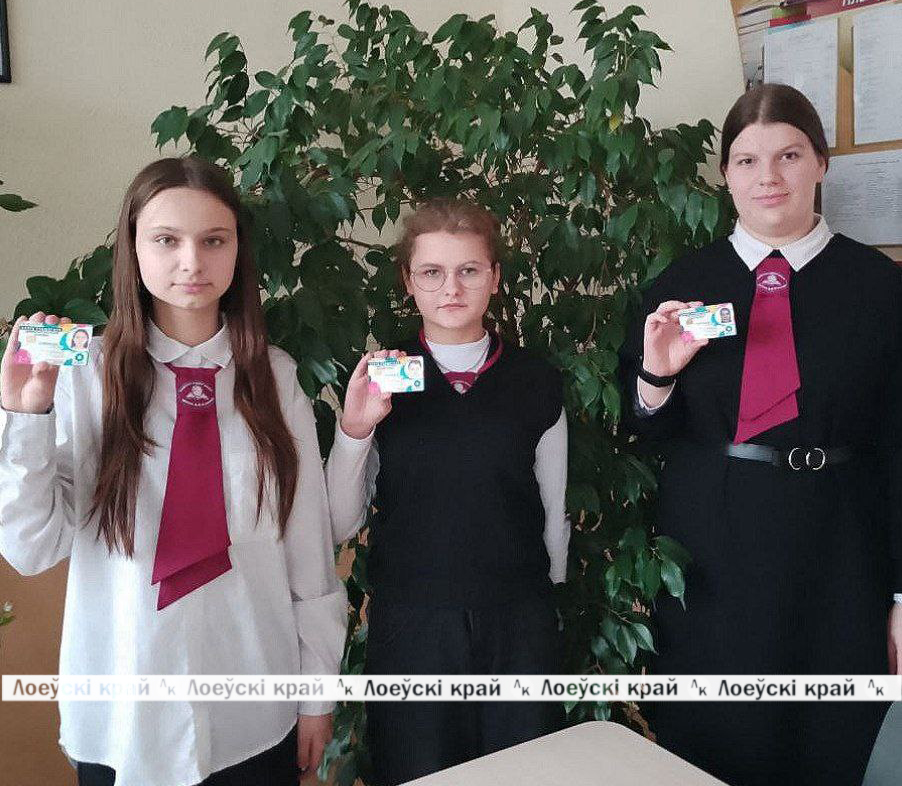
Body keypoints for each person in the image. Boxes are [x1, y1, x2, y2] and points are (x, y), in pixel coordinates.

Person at [0, 157, 354, 786]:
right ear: (133, 247)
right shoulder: (82, 379)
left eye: (214, 240)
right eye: (166, 239)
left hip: (254, 710)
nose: (192, 262)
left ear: (238, 250)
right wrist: (26, 417)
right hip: (123, 716)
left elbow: (307, 551)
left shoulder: (274, 379)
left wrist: (317, 694)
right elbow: (29, 550)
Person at [620, 83, 902, 786]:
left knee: (829, 745)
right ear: (725, 174)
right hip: (712, 551)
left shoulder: (881, 287)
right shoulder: (681, 285)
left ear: (821, 163)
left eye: (788, 155)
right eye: (747, 160)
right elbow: (643, 430)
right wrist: (657, 376)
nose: (768, 177)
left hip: (841, 551)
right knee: (713, 744)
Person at [325, 198, 569, 786]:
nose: (451, 288)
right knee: (418, 770)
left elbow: (553, 507)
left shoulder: (535, 380)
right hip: (414, 622)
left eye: (469, 270)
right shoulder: (381, 377)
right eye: (432, 272)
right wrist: (355, 429)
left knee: (523, 773)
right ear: (408, 281)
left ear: (496, 277)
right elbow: (338, 520)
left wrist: (547, 604)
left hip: (518, 620)